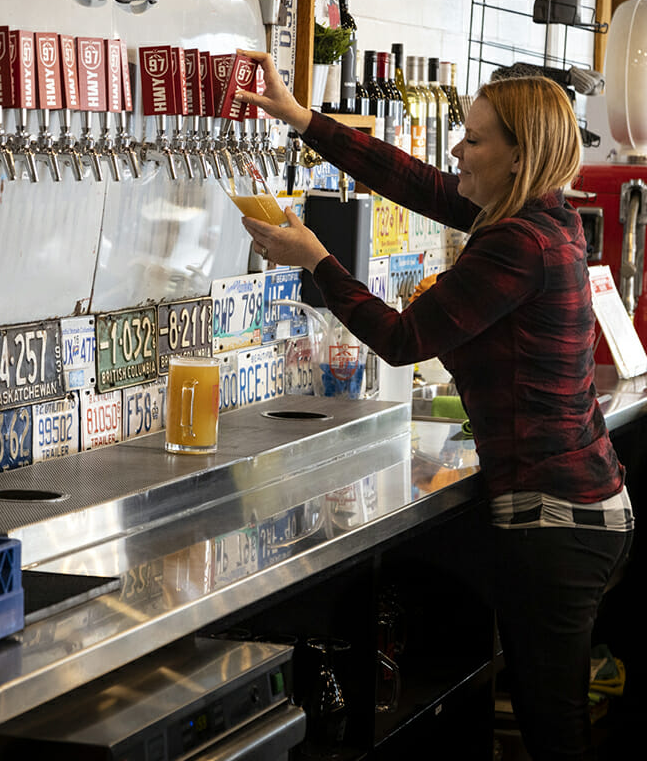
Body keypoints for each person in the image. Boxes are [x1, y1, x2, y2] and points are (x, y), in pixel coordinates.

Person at [234, 49, 634, 761]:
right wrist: (300, 117)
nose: (456, 147)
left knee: (553, 728)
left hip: (555, 523)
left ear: (518, 156)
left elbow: (403, 338)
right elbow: (411, 179)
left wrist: (316, 260)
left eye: (474, 139)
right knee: (546, 712)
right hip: (576, 511)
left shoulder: (516, 244)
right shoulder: (541, 218)